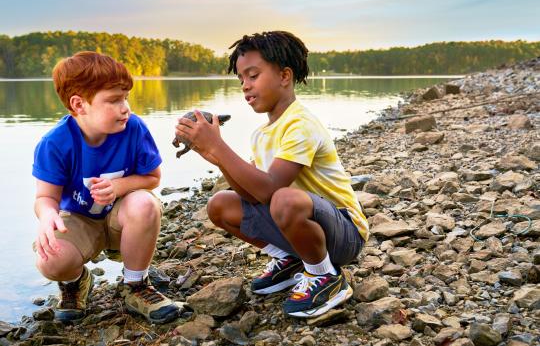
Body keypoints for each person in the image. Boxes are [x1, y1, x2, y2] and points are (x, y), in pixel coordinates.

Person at [175, 31, 369, 318]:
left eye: (253, 75)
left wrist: (219, 145)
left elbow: (270, 190)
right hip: (306, 227)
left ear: (284, 76)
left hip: (345, 233)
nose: (245, 86)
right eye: (241, 79)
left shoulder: (301, 124)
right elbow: (250, 193)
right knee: (219, 205)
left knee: (284, 200)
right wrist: (212, 154)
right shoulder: (261, 134)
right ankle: (293, 259)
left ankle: (325, 277)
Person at [32, 51, 179, 324]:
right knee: (49, 260)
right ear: (79, 105)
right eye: (114, 100)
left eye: (126, 97)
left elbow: (152, 178)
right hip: (79, 220)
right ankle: (75, 282)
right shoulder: (55, 143)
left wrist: (120, 185)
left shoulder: (133, 128)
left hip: (121, 220)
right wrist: (47, 215)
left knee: (145, 203)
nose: (126, 108)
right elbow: (45, 197)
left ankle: (135, 285)